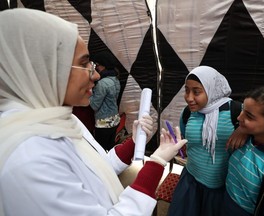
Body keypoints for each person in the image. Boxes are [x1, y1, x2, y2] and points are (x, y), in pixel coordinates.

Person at [0, 8, 187, 216]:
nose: (95, 75)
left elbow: (95, 167)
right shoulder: (30, 159)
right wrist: (157, 163)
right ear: (44, 68)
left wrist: (134, 143)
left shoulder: (57, 118)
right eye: (84, 63)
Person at [167, 66, 247, 216]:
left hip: (222, 189)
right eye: (186, 90)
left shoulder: (237, 112)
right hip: (190, 182)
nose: (189, 98)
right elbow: (187, 142)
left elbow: (260, 128)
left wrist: (244, 129)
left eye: (196, 92)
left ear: (212, 90)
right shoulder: (188, 113)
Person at [222, 85, 264, 216]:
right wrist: (242, 128)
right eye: (242, 110)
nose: (239, 118)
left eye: (249, 116)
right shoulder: (247, 136)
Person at [89, 51, 121, 151]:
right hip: (114, 120)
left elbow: (94, 105)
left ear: (103, 66)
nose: (96, 68)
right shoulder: (115, 79)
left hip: (103, 123)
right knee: (109, 149)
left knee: (100, 150)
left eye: (97, 65)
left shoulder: (102, 83)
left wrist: (87, 92)